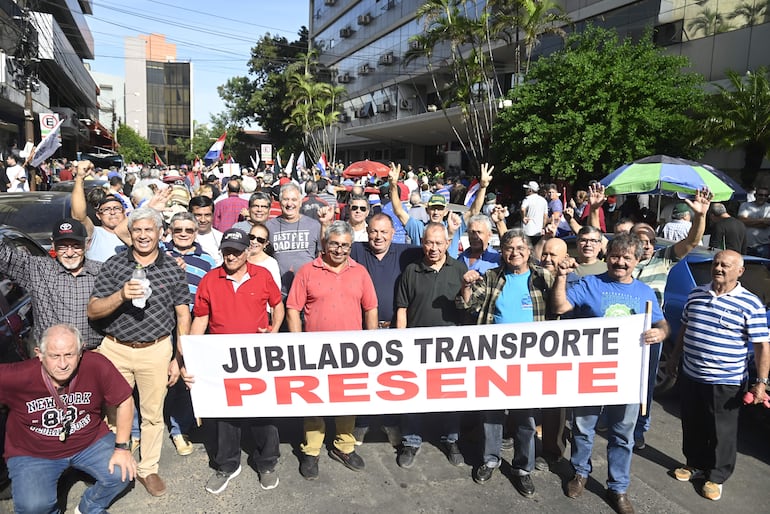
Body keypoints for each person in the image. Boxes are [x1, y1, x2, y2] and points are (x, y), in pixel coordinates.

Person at [552, 233, 669, 514]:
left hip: (627, 376)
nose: (620, 262)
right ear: (608, 257)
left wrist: (661, 332)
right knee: (583, 428)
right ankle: (579, 473)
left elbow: (663, 323)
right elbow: (559, 307)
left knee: (623, 433)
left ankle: (618, 487)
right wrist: (560, 278)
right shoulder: (590, 283)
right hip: (590, 372)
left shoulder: (644, 292)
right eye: (615, 256)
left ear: (637, 260)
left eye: (627, 258)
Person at [87, 207, 191, 497]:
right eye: (137, 230)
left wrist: (178, 358)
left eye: (149, 229)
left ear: (160, 233)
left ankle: (148, 468)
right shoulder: (114, 265)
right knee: (111, 411)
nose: (143, 235)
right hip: (116, 349)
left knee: (153, 415)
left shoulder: (172, 268)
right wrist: (121, 295)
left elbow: (183, 315)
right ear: (129, 233)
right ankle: (114, 463)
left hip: (155, 350)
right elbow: (93, 310)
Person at [666, 250, 769, 502]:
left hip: (726, 381)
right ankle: (695, 464)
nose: (719, 268)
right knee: (692, 422)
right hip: (691, 374)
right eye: (716, 263)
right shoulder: (696, 294)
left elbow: (762, 346)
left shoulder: (750, 303)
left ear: (739, 271)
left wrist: (761, 383)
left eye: (726, 265)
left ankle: (716, 476)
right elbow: (685, 328)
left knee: (721, 431)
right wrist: (674, 358)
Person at [0, 324, 135, 513]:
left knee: (123, 473)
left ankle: (90, 506)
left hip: (89, 441)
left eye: (70, 355)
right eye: (55, 356)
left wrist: (122, 448)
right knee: (33, 507)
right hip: (33, 452)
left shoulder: (96, 364)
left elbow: (125, 401)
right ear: (39, 353)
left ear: (81, 351)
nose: (63, 364)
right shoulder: (18, 376)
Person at [190, 228, 284, 493]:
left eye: (236, 251)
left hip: (256, 358)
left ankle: (266, 462)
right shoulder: (210, 280)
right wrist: (191, 353)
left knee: (263, 413)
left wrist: (274, 331)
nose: (230, 256)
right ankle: (227, 465)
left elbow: (277, 305)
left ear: (247, 252)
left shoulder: (263, 275)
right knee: (225, 416)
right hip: (221, 359)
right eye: (226, 251)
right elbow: (201, 318)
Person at [458, 229, 550, 497]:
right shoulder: (491, 277)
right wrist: (465, 285)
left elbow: (561, 305)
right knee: (492, 415)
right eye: (509, 248)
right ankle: (490, 460)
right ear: (503, 252)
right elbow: (467, 305)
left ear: (530, 250)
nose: (515, 253)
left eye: (520, 248)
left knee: (526, 419)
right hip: (494, 359)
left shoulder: (542, 277)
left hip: (531, 361)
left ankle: (523, 468)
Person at [287, 221, 377, 480]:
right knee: (313, 400)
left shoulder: (359, 272)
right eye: (335, 244)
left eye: (345, 245)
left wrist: (371, 343)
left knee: (347, 400)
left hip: (351, 352)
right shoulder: (307, 271)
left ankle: (343, 446)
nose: (340, 250)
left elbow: (371, 308)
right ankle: (312, 450)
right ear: (325, 243)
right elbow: (293, 308)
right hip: (314, 351)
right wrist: (296, 343)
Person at [394, 222, 468, 468]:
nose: (433, 248)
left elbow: (466, 306)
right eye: (428, 242)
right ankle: (411, 441)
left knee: (451, 395)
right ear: (422, 242)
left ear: (448, 243)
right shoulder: (411, 271)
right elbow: (402, 308)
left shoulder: (459, 268)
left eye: (438, 243)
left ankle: (451, 439)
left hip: (451, 347)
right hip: (415, 345)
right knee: (413, 395)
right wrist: (401, 342)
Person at [349, 213, 422, 445]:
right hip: (364, 328)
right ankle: (361, 424)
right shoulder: (357, 250)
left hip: (394, 329)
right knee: (364, 379)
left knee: (393, 381)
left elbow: (436, 246)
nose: (378, 236)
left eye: (383, 232)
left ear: (393, 233)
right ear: (366, 232)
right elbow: (330, 246)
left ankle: (390, 423)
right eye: (373, 231)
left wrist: (451, 231)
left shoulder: (406, 252)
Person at [160, 212, 216, 457]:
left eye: (188, 230)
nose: (183, 234)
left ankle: (178, 428)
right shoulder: (158, 254)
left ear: (196, 232)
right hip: (159, 323)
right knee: (156, 377)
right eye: (178, 230)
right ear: (170, 231)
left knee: (186, 377)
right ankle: (139, 430)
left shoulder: (207, 260)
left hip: (193, 324)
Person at [0, 217, 103, 349]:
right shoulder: (37, 269)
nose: (70, 253)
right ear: (53, 244)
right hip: (50, 356)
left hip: (94, 352)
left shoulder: (103, 271)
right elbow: (3, 256)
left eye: (76, 246)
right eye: (63, 247)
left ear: (87, 244)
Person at [265, 182, 323, 298]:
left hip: (307, 291)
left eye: (294, 199)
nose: (289, 204)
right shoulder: (269, 226)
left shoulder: (314, 225)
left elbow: (321, 255)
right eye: (286, 199)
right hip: (278, 292)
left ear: (300, 202)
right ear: (280, 202)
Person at [189, 195, 223, 266]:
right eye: (198, 215)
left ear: (213, 215)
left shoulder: (221, 238)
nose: (203, 220)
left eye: (207, 215)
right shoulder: (180, 237)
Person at [247, 222, 281, 291]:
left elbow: (275, 291)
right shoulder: (240, 258)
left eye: (260, 240)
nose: (254, 241)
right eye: (252, 237)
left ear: (266, 244)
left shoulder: (271, 264)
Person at [737, 185, 770, 257]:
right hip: (746, 245)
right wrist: (762, 220)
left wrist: (748, 221)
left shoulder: (769, 207)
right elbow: (742, 221)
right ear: (755, 195)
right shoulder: (745, 205)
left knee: (763, 267)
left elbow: (766, 224)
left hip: (764, 245)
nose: (763, 197)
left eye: (766, 195)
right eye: (760, 195)